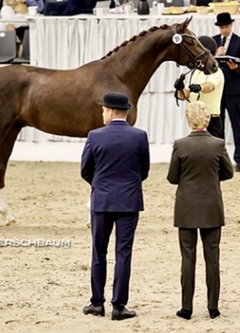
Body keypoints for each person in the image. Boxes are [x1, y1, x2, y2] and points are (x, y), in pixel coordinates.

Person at [81, 92, 150, 320]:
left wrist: (100, 184)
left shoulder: (95, 136)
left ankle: (97, 303)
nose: (102, 113)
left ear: (110, 111)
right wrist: (127, 184)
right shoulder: (139, 136)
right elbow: (144, 171)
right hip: (129, 201)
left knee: (98, 252)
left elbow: (85, 170)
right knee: (123, 253)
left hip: (102, 201)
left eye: (103, 110)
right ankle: (119, 306)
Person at [167, 101, 234, 321]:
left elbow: (173, 177)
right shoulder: (218, 144)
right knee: (212, 258)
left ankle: (186, 307)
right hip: (211, 206)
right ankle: (213, 306)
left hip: (186, 206)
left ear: (189, 119)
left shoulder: (180, 145)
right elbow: (228, 172)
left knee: (188, 258)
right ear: (207, 120)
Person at [213, 12, 240, 172]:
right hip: (217, 90)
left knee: (236, 124)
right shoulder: (213, 41)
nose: (224, 30)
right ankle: (220, 159)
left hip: (233, 90)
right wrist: (216, 56)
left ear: (231, 25)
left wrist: (236, 68)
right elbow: (206, 62)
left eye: (226, 27)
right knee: (218, 126)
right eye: (222, 27)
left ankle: (239, 159)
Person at [174, 36, 225, 138]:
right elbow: (185, 95)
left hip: (210, 121)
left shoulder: (216, 71)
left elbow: (210, 86)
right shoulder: (196, 72)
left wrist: (199, 87)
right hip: (196, 121)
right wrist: (179, 89)